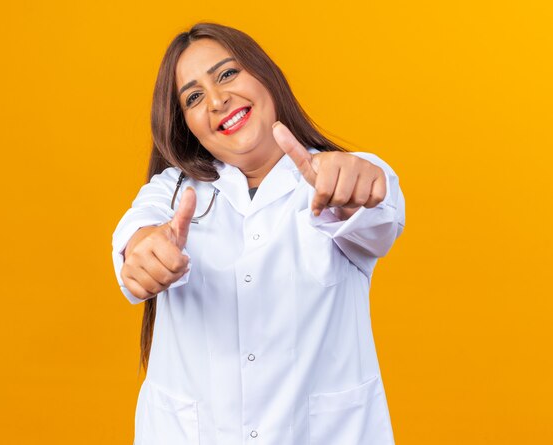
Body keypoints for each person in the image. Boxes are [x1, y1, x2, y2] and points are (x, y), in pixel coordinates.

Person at [112, 22, 405, 445]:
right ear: (186, 124)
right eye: (194, 97)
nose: (216, 100)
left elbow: (379, 212)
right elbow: (135, 234)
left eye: (227, 74)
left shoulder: (338, 174)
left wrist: (359, 187)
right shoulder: (171, 192)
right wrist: (143, 251)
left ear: (265, 75)